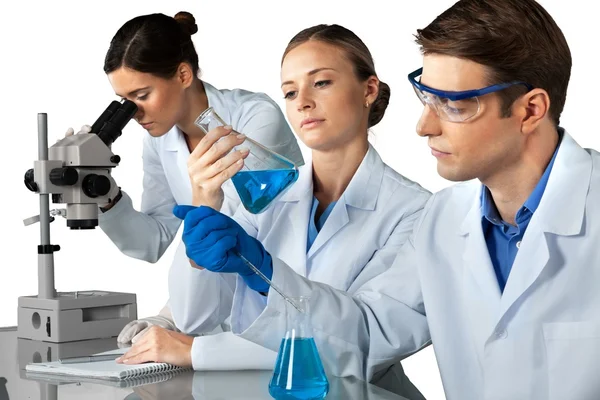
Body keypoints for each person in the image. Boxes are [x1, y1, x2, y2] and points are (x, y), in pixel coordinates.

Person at [177, 1, 600, 399]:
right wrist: (262, 271)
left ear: (529, 110)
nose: (423, 126)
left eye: (453, 105)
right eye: (426, 97)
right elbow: (366, 335)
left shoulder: (417, 211)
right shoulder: (444, 220)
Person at [117, 24, 432, 399]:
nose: (302, 102)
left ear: (369, 90)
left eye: (322, 83)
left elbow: (368, 345)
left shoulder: (416, 212)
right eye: (290, 91)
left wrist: (259, 279)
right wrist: (204, 211)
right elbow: (194, 318)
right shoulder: (264, 196)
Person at [67, 11, 304, 344]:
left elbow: (233, 233)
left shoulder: (253, 117)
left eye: (142, 95)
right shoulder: (159, 140)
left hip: (285, 302)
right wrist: (105, 195)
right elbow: (151, 241)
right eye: (125, 101)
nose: (134, 113)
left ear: (182, 74)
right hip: (213, 317)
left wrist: (173, 315)